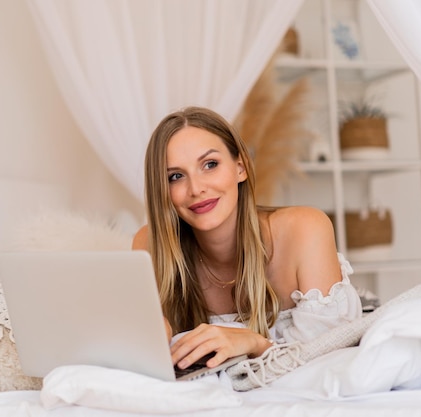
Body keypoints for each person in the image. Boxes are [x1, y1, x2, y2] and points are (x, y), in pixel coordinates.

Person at [132, 106, 362, 373]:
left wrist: (255, 344)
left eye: (210, 165)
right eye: (176, 176)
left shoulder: (304, 228)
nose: (196, 189)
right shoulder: (150, 244)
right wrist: (151, 337)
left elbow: (332, 362)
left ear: (240, 168)